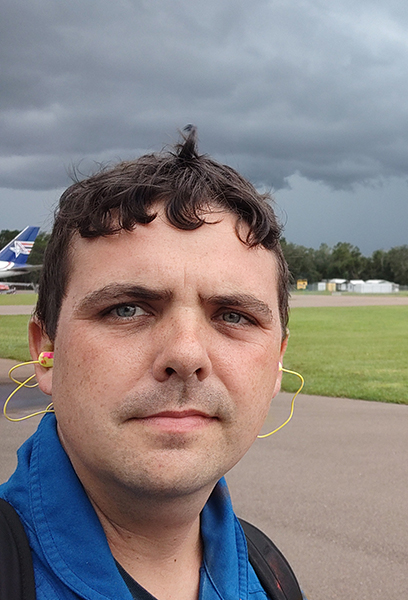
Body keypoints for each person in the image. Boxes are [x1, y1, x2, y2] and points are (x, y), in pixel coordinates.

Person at [0, 127, 300, 599]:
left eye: (233, 315)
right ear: (46, 351)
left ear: (277, 365)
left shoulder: (270, 574)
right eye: (126, 309)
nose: (185, 354)